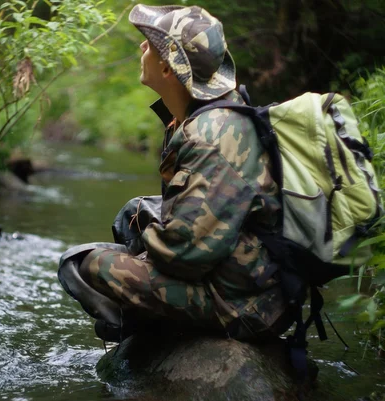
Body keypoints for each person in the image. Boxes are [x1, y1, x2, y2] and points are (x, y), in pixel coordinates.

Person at [58, 4, 292, 343]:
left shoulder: (211, 135)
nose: (141, 48)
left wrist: (136, 252)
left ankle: (139, 328)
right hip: (245, 273)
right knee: (133, 214)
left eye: (149, 44)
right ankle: (144, 321)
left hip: (246, 305)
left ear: (168, 69)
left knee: (81, 264)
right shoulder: (205, 113)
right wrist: (144, 236)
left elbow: (186, 256)